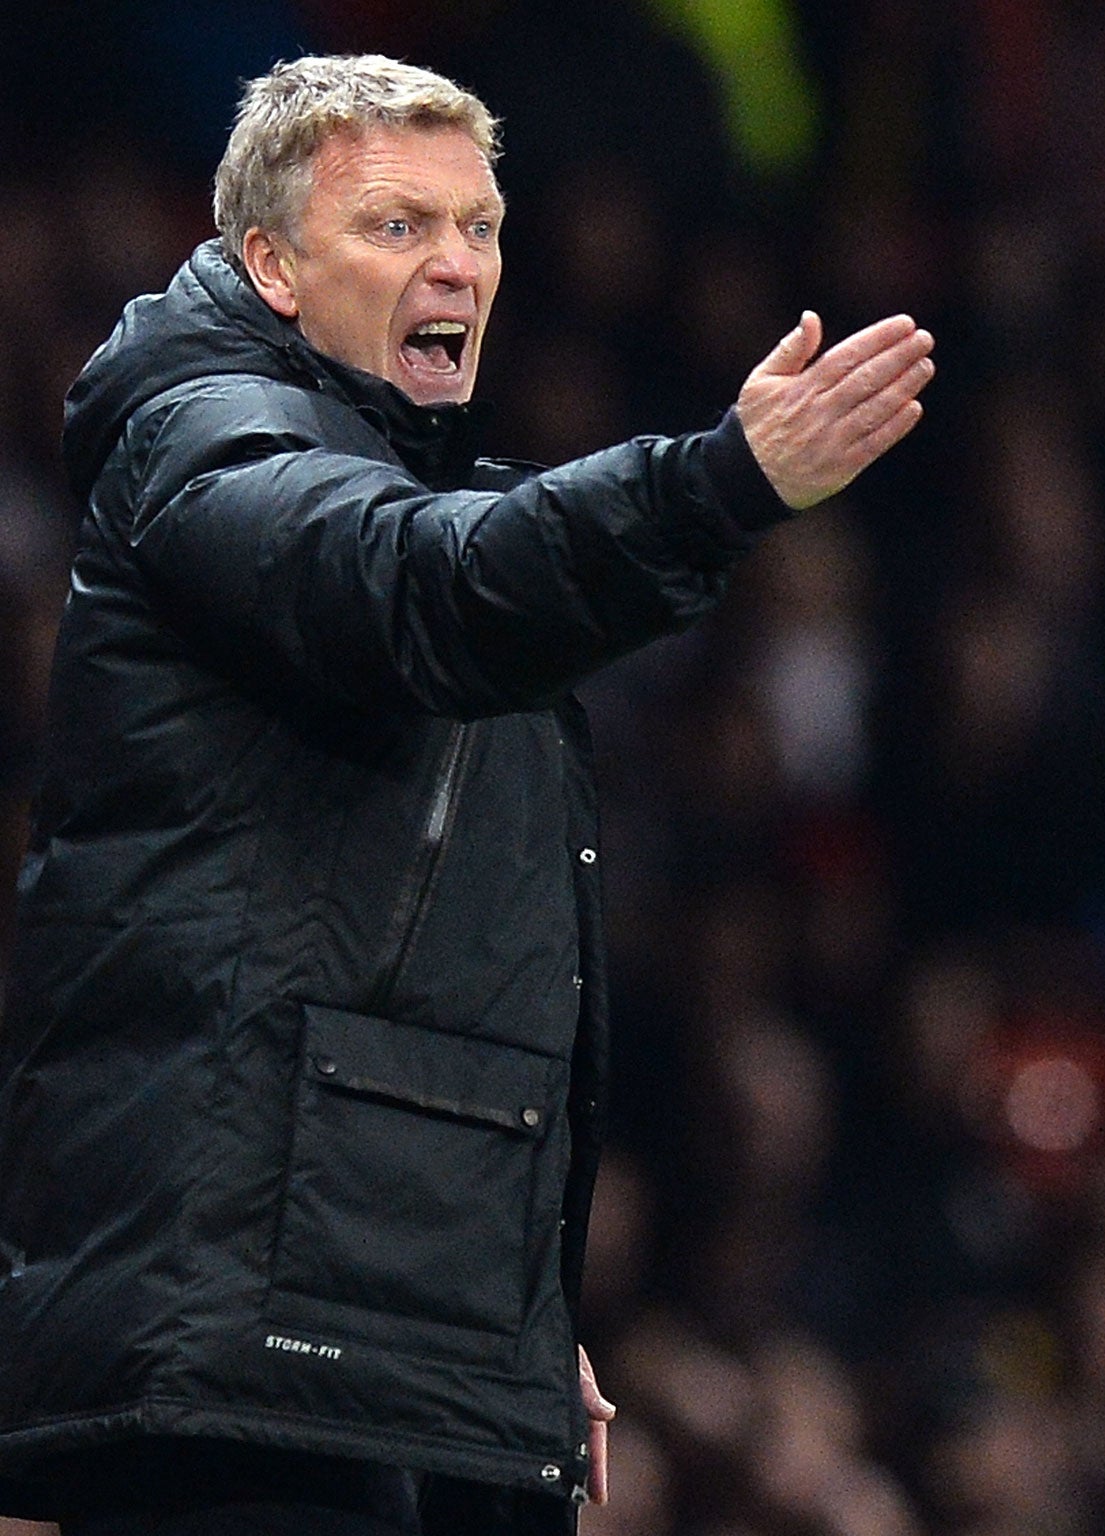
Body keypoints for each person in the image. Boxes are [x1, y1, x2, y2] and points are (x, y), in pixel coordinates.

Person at [0, 53, 932, 1536]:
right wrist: (713, 485)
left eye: (480, 226)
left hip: (366, 1332)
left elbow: (403, 970)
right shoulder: (204, 440)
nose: (458, 262)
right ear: (271, 267)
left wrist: (491, 1320)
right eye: (396, 226)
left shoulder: (402, 481)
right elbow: (420, 590)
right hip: (239, 1364)